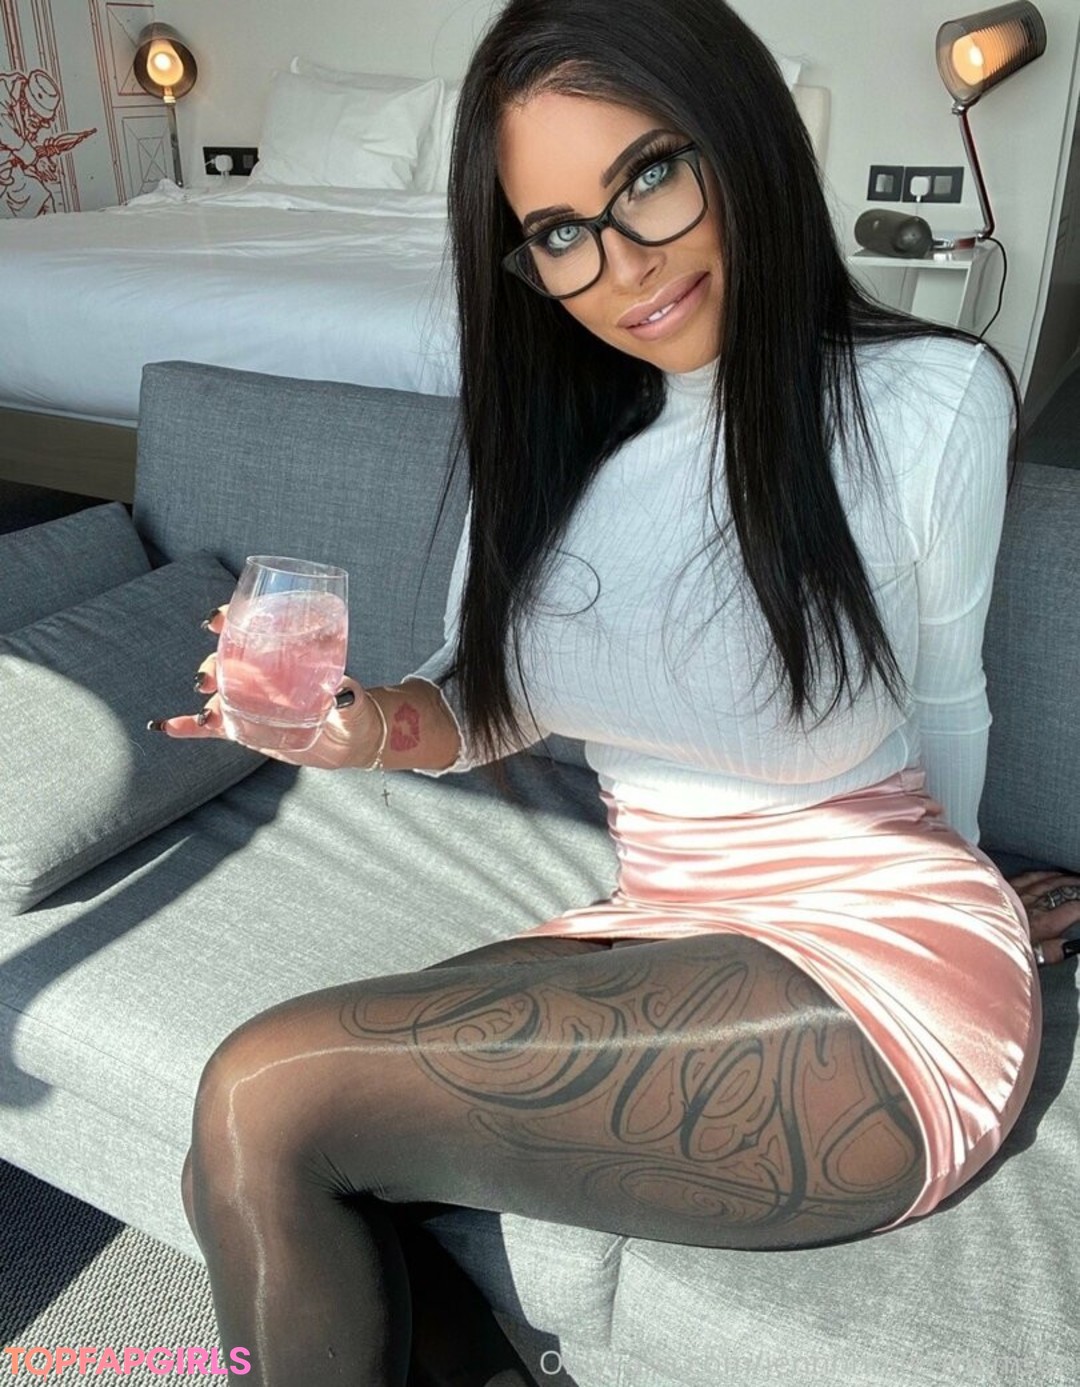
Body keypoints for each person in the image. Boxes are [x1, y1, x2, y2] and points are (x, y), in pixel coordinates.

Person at [153, 1, 1080, 1382]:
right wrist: (355, 729)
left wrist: (985, 885)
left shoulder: (926, 400)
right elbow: (489, 702)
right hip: (658, 926)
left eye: (649, 175)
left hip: (878, 959)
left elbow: (951, 697)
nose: (622, 263)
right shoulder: (550, 449)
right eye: (558, 232)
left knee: (263, 1097)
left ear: (740, 137)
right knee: (264, 1157)